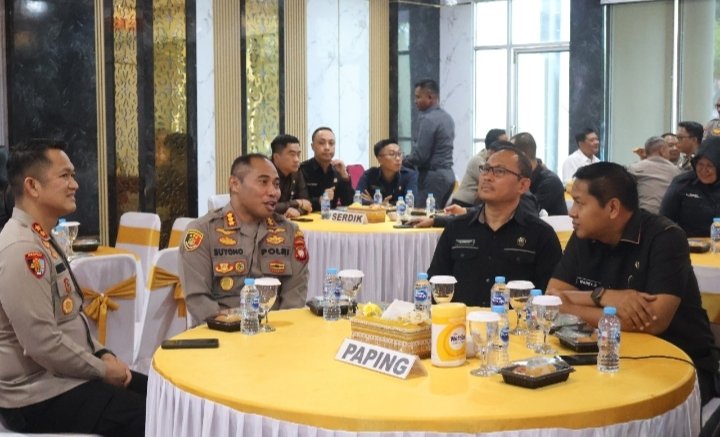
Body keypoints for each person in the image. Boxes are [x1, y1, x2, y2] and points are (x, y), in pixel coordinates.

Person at [0, 139, 146, 435]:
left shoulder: (41, 237)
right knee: (150, 417)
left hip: (63, 378)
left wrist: (102, 353)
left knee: (163, 396)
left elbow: (71, 320)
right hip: (35, 396)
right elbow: (42, 342)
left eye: (73, 175)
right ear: (32, 186)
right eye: (65, 176)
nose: (75, 184)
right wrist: (102, 370)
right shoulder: (21, 248)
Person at [547, 162, 717, 405]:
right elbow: (553, 295)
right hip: (605, 357)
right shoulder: (584, 234)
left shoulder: (665, 237)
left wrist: (571, 306)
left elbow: (653, 321)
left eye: (580, 203)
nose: (572, 212)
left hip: (676, 363)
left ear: (613, 208)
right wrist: (605, 297)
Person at [179, 154, 309, 323]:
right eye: (263, 182)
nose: (274, 192)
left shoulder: (289, 232)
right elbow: (198, 299)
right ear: (235, 184)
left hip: (277, 332)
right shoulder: (203, 232)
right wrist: (232, 327)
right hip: (221, 333)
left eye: (276, 184)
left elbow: (295, 295)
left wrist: (279, 331)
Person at [427, 146, 562, 306]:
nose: (487, 177)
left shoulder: (541, 234)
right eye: (485, 169)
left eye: (499, 172)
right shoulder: (457, 228)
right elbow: (434, 284)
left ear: (523, 185)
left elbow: (549, 298)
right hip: (460, 320)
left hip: (514, 321)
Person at [403, 79, 455, 207]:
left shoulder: (428, 119)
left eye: (418, 97)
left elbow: (420, 155)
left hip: (433, 178)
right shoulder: (447, 117)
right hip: (447, 176)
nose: (415, 101)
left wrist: (402, 161)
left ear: (430, 97)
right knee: (436, 215)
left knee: (422, 215)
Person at [660, 136, 720, 237]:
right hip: (687, 242)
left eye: (710, 165)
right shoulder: (682, 183)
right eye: (700, 164)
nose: (704, 170)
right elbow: (664, 219)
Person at [511, 132, 567, 215]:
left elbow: (528, 211)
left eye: (509, 154)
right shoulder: (520, 177)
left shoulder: (550, 182)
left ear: (522, 156)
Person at [300, 127, 354, 211]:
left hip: (331, 217)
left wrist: (345, 177)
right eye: (322, 143)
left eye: (331, 143)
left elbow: (349, 203)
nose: (327, 147)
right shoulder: (302, 169)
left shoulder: (338, 169)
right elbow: (299, 201)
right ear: (312, 146)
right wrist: (320, 200)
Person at [451, 128, 507, 207]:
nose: (508, 146)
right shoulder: (478, 160)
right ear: (494, 145)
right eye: (505, 143)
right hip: (463, 203)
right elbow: (495, 184)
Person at [627, 136, 681, 214]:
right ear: (662, 150)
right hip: (667, 217)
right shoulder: (676, 171)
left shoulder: (634, 168)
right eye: (668, 148)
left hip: (641, 216)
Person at [355, 139, 418, 205]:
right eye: (392, 154)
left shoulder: (409, 176)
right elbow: (358, 198)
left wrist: (376, 204)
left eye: (399, 154)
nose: (398, 158)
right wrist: (380, 205)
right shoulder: (369, 175)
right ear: (379, 159)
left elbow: (411, 202)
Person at [270, 134, 312, 218]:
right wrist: (296, 203)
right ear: (276, 157)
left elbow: (306, 203)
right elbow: (266, 206)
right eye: (292, 154)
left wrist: (298, 211)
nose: (297, 159)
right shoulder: (265, 173)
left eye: (298, 154)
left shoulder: (296, 171)